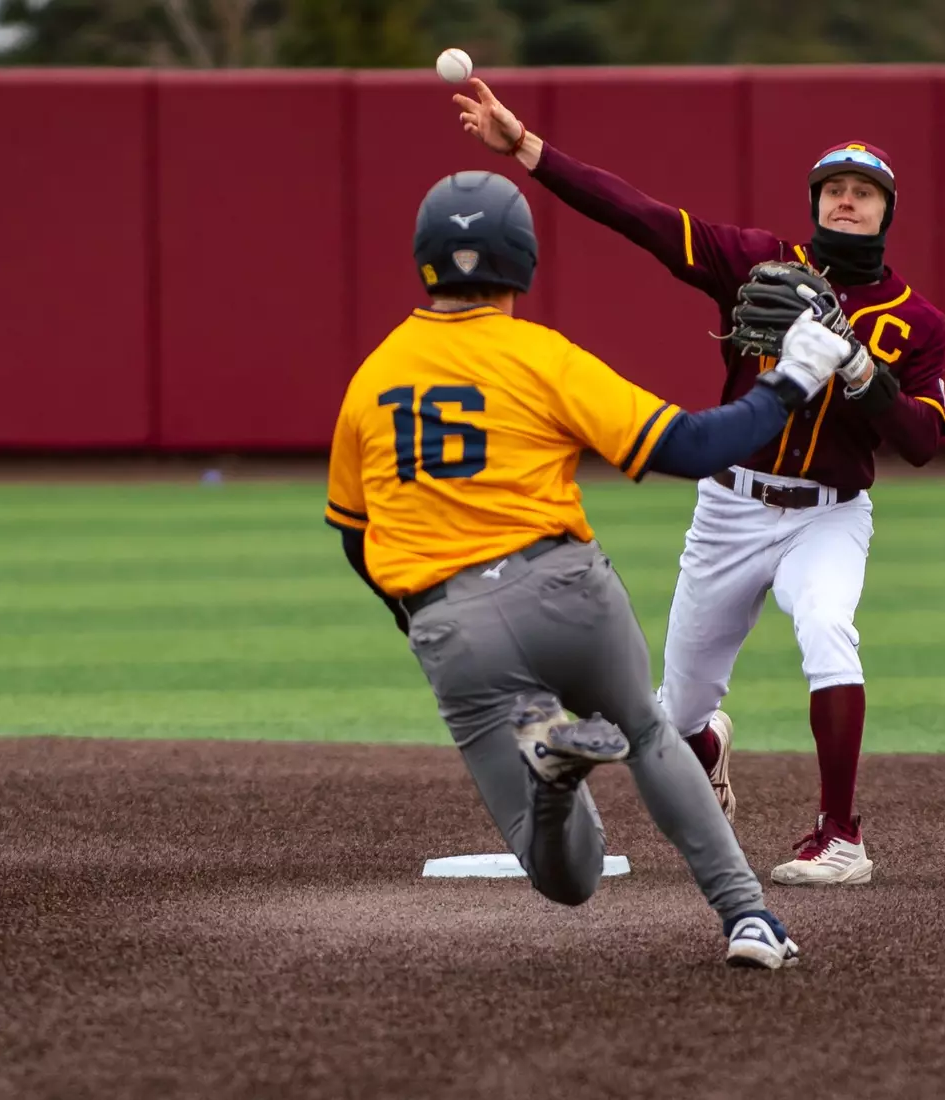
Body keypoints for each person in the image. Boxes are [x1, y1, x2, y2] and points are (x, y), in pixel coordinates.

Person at [325, 170, 868, 966]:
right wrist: (788, 381)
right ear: (522, 257)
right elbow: (689, 447)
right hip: (567, 593)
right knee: (650, 732)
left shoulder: (371, 380)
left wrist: (420, 620)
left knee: (565, 877)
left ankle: (554, 781)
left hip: (454, 627)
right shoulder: (541, 357)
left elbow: (351, 534)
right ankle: (748, 918)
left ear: (425, 259)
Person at [453, 78, 945, 886]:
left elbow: (923, 443)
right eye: (835, 190)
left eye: (864, 193)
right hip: (728, 508)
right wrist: (526, 150)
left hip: (828, 517)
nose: (848, 204)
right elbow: (642, 219)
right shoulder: (759, 262)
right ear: (817, 201)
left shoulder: (914, 321)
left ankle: (841, 836)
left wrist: (863, 369)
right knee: (674, 720)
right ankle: (711, 742)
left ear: (886, 210)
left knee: (829, 629)